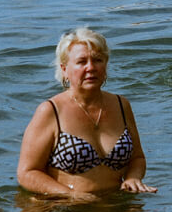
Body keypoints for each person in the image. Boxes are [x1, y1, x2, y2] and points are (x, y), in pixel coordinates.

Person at [18, 27, 156, 197]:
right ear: (64, 69)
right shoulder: (50, 111)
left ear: (105, 65)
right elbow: (27, 172)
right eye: (81, 62)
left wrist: (133, 178)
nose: (91, 67)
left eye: (97, 60)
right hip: (65, 211)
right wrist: (69, 194)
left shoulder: (121, 105)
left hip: (116, 207)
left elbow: (137, 158)